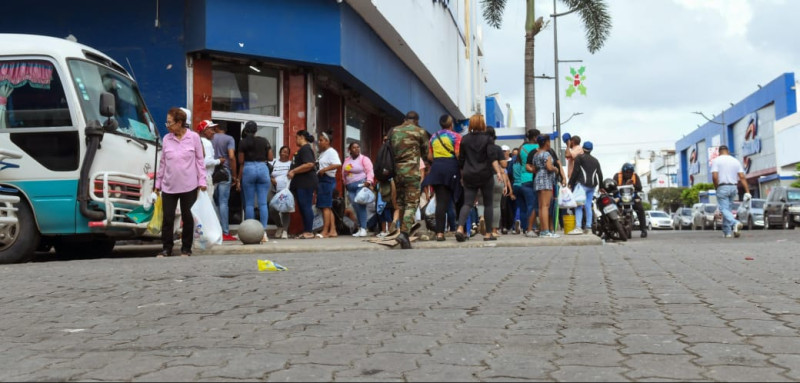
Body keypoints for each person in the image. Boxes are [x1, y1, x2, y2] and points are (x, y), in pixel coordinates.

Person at [154, 107, 206, 257]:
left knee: (188, 218)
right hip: (169, 186)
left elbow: (199, 161)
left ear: (179, 123)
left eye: (169, 122)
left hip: (189, 185)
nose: (167, 125)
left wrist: (202, 181)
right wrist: (158, 184)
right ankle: (166, 248)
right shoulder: (166, 139)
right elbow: (163, 163)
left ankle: (186, 249)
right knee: (168, 218)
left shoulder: (194, 137)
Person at [455, 114, 504, 242]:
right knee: (488, 204)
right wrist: (498, 172)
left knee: (467, 203)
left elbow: (461, 160)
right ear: (482, 124)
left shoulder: (464, 139)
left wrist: (462, 176)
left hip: (469, 174)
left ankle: (460, 228)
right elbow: (492, 157)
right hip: (485, 174)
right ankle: (488, 234)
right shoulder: (488, 139)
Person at [389, 111, 428, 249]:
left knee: (401, 203)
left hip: (397, 172)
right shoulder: (420, 132)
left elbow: (390, 150)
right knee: (411, 204)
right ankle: (404, 233)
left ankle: (403, 235)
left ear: (404, 119)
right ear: (416, 120)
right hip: (412, 172)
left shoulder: (393, 131)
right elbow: (426, 153)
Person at [421, 114, 462, 242]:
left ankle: (439, 233)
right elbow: (457, 154)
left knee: (441, 203)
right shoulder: (456, 136)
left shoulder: (433, 136)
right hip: (452, 169)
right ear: (451, 124)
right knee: (457, 199)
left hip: (437, 170)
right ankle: (459, 229)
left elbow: (429, 157)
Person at [236, 121, 273, 243]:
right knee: (263, 203)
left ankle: (250, 232)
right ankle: (263, 232)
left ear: (246, 131)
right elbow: (270, 158)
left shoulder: (243, 142)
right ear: (256, 130)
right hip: (263, 169)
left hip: (249, 169)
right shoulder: (264, 140)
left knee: (250, 204)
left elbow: (241, 160)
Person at [711, 145, 751, 238]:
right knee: (727, 209)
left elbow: (715, 176)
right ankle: (727, 232)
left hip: (722, 186)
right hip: (733, 187)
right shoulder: (735, 161)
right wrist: (747, 191)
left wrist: (717, 187)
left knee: (723, 209)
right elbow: (742, 177)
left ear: (719, 152)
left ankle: (735, 223)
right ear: (728, 151)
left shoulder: (716, 161)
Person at [527, 135, 564, 238]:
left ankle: (544, 230)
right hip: (546, 180)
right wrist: (555, 169)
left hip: (538, 179)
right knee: (545, 206)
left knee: (540, 206)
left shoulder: (536, 154)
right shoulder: (546, 154)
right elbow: (548, 167)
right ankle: (546, 231)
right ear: (546, 142)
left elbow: (533, 168)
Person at [287, 130, 318, 239]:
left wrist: (294, 171)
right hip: (300, 183)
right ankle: (306, 230)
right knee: (302, 207)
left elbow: (309, 164)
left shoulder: (306, 149)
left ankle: (309, 231)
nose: (296, 140)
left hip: (306, 183)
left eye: (296, 137)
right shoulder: (302, 150)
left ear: (301, 137)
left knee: (306, 207)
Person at [567, 141, 602, 235]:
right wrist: (601, 186)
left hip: (582, 185)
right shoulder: (595, 160)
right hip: (592, 186)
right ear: (591, 150)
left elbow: (576, 171)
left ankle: (578, 227)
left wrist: (570, 183)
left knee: (578, 205)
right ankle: (588, 228)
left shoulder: (580, 158)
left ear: (582, 148)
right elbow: (600, 174)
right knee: (588, 206)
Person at [342, 141, 374, 237]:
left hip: (360, 184)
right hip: (350, 186)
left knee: (361, 206)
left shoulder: (364, 159)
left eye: (358, 147)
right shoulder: (347, 160)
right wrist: (345, 183)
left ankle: (364, 228)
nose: (356, 149)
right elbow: (343, 172)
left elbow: (370, 171)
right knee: (356, 207)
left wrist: (369, 181)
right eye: (354, 148)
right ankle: (360, 228)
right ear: (349, 150)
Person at [212, 122, 237, 241]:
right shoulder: (229, 138)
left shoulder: (210, 138)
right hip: (224, 171)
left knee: (213, 201)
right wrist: (235, 175)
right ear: (225, 129)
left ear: (216, 128)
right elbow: (231, 156)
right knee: (223, 202)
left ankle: (214, 229)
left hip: (212, 171)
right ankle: (225, 232)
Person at [315, 132, 342, 238]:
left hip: (327, 180)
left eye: (321, 140)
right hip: (321, 180)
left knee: (325, 206)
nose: (319, 142)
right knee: (327, 206)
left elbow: (337, 164)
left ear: (327, 141)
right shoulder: (323, 153)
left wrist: (325, 169)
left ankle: (325, 231)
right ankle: (333, 230)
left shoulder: (331, 152)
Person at [513, 129, 539, 237]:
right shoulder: (537, 148)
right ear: (535, 137)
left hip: (522, 180)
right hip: (532, 177)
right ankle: (531, 228)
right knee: (531, 205)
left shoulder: (521, 148)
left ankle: (525, 227)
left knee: (523, 207)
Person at [487, 127, 511, 237]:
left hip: (483, 178)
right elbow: (504, 165)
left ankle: (484, 224)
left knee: (484, 204)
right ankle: (494, 230)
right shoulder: (497, 149)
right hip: (497, 178)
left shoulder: (480, 148)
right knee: (496, 205)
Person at [614, 162, 647, 238]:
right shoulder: (617, 176)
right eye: (626, 172)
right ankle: (615, 227)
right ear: (623, 172)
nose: (628, 174)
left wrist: (633, 185)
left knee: (640, 209)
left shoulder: (635, 176)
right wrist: (625, 184)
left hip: (632, 196)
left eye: (630, 172)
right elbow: (613, 186)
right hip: (620, 197)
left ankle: (643, 230)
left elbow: (639, 187)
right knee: (613, 207)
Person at [195, 120, 223, 200]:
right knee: (205, 206)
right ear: (204, 130)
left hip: (198, 177)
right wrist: (219, 161)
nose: (214, 132)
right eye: (211, 129)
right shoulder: (207, 143)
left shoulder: (197, 141)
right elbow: (205, 162)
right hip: (205, 178)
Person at [269, 146, 292, 239]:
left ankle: (285, 231)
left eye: (286, 152)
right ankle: (279, 226)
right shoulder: (274, 162)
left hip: (285, 190)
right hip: (274, 190)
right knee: (272, 208)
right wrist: (271, 179)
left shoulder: (291, 164)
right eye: (283, 151)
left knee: (285, 210)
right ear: (279, 153)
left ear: (288, 154)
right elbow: (267, 173)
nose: (284, 153)